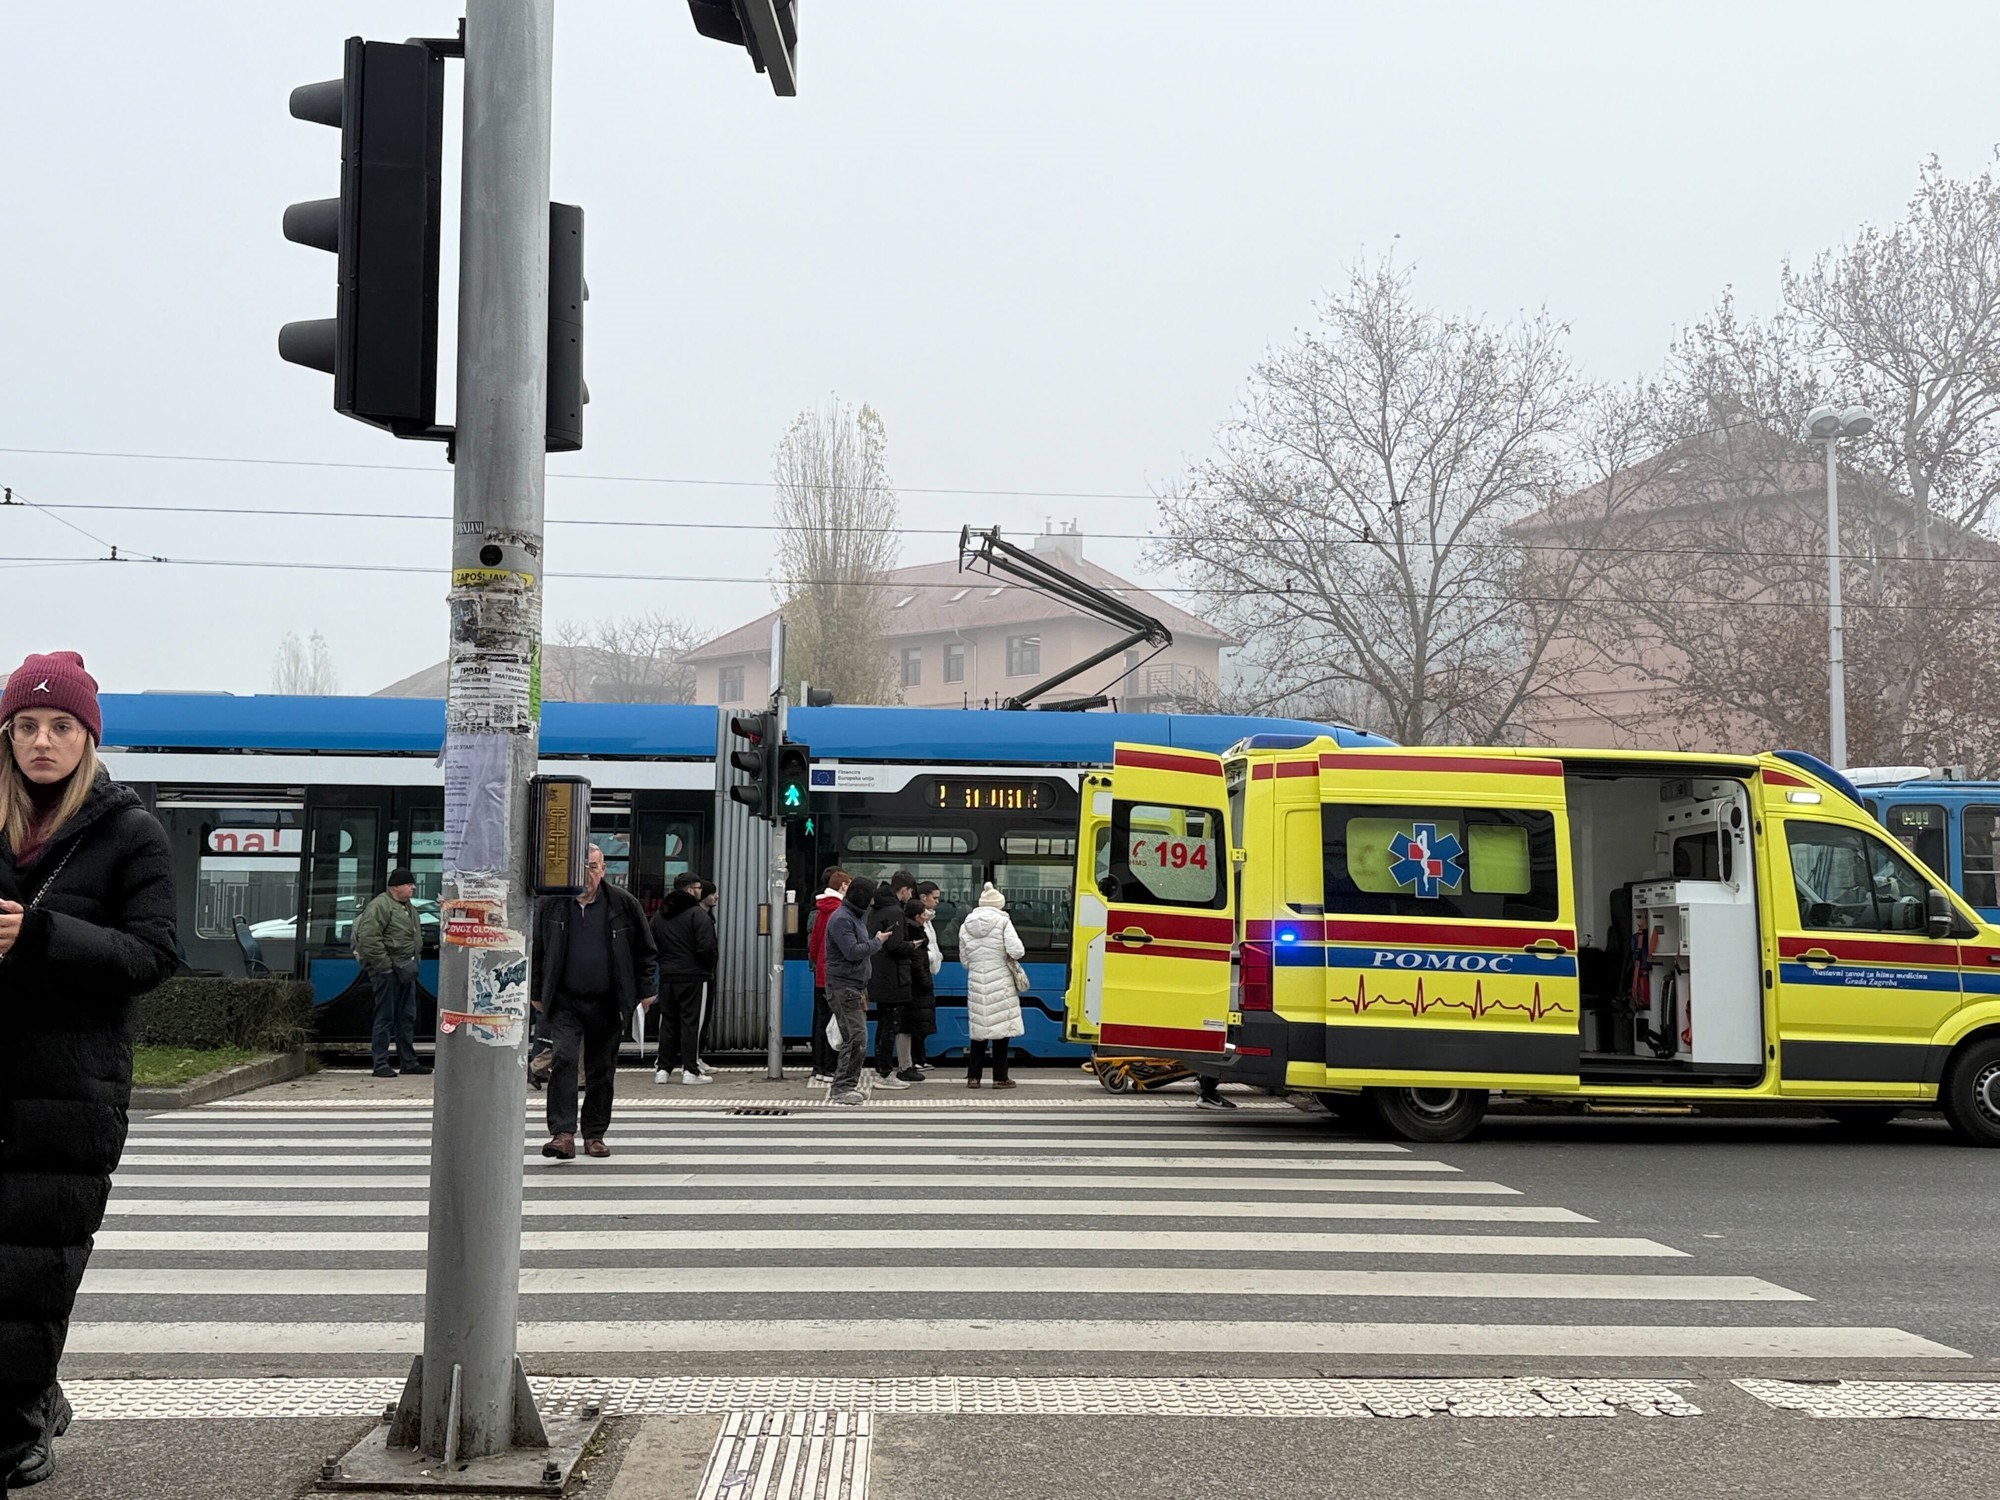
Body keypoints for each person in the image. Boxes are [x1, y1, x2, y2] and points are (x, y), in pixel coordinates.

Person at [0, 652, 176, 1491]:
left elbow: (153, 955)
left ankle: (15, 1430)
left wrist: (39, 936)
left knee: (32, 1271)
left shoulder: (130, 832)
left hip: (70, 1089)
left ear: (87, 739)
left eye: (61, 726)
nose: (43, 741)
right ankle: (34, 1391)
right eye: (27, 725)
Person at [533, 844, 657, 1159]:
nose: (586, 874)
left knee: (601, 1068)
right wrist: (535, 993)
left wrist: (646, 990)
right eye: (579, 867)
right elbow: (537, 951)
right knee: (563, 1060)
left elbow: (645, 950)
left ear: (602, 869)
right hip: (565, 1001)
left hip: (608, 1000)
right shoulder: (552, 904)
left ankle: (594, 1134)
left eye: (591, 866)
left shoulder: (623, 903)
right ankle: (562, 1134)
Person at [820, 876, 895, 1105]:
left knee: (856, 1037)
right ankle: (842, 1087)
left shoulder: (852, 916)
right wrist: (877, 942)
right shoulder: (843, 919)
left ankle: (845, 1085)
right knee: (855, 1038)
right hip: (845, 987)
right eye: (870, 897)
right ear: (861, 897)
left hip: (854, 987)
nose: (872, 902)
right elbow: (852, 951)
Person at [353, 866, 426, 1079]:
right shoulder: (380, 906)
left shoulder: (408, 907)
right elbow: (369, 938)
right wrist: (384, 966)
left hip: (405, 969)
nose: (413, 887)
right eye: (409, 884)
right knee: (385, 1017)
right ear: (395, 887)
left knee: (407, 1016)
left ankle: (408, 1062)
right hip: (387, 971)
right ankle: (381, 1064)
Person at [651, 871, 716, 1086]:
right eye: (698, 887)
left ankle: (663, 1070)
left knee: (668, 1022)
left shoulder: (659, 916)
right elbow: (707, 948)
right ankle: (690, 1070)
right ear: (689, 889)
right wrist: (706, 968)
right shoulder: (698, 915)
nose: (701, 891)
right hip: (694, 977)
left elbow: (650, 944)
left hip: (667, 976)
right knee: (691, 1023)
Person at [958, 881, 1025, 1089]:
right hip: (1000, 981)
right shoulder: (1003, 922)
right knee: (1000, 1032)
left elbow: (965, 961)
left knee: (979, 1030)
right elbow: (1017, 951)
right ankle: (1000, 1078)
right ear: (999, 904)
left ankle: (973, 1077)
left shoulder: (966, 924)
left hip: (977, 981)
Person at [868, 872, 918, 1090]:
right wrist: (912, 945)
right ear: (904, 889)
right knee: (891, 1025)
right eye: (910, 891)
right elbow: (895, 946)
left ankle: (881, 1068)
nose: (911, 896)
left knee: (883, 1024)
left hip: (879, 975)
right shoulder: (895, 911)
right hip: (893, 977)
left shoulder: (877, 908)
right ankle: (886, 1072)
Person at [806, 867, 849, 1086]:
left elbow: (814, 945)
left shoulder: (821, 909)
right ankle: (831, 1067)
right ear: (842, 886)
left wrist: (818, 964)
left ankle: (819, 1067)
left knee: (821, 1021)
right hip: (835, 975)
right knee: (836, 1023)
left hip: (821, 973)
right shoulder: (840, 911)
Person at [897, 898, 938, 1083]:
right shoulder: (914, 933)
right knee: (908, 1026)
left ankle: (908, 1064)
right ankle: (906, 1066)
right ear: (916, 916)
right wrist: (926, 982)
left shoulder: (908, 929)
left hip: (911, 986)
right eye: (923, 914)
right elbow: (917, 962)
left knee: (908, 1025)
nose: (925, 917)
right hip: (916, 988)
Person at [912, 880, 945, 1070]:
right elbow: (922, 949)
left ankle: (919, 1058)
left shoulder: (928, 919)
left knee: (923, 1018)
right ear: (923, 897)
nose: (937, 901)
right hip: (921, 974)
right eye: (935, 897)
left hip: (926, 971)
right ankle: (916, 1059)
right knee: (919, 1019)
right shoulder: (920, 920)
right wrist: (933, 957)